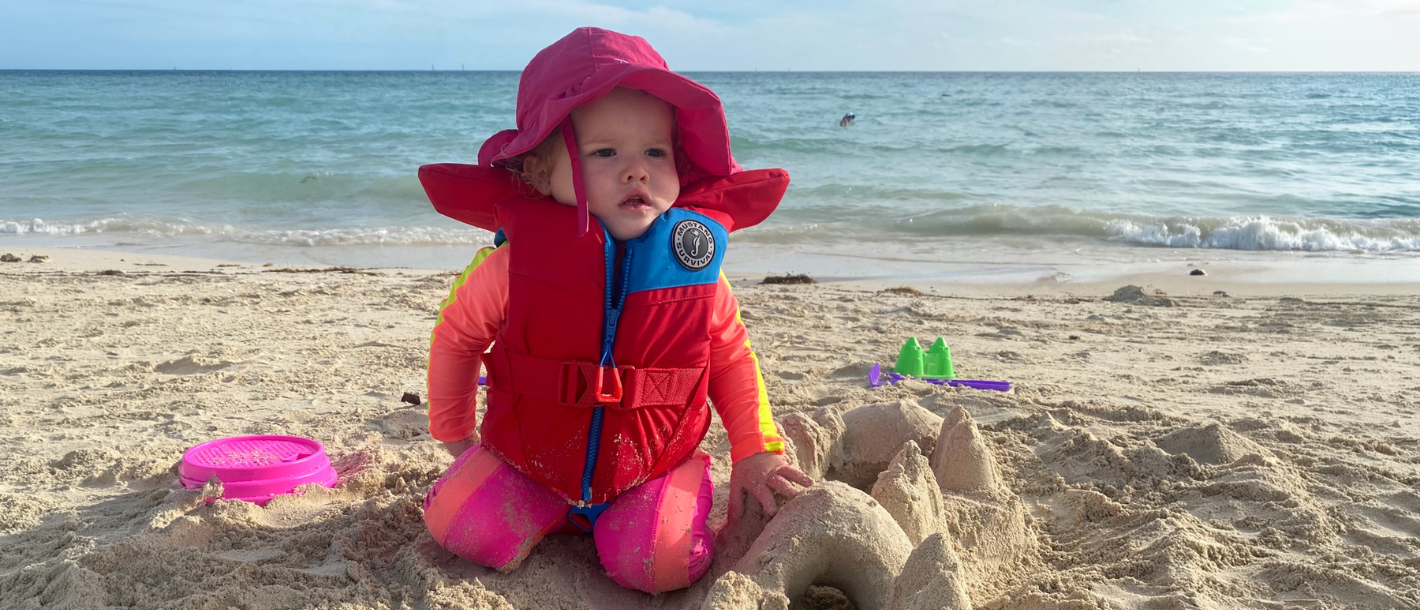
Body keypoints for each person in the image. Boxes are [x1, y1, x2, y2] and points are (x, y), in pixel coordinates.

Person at [415, 27, 812, 594]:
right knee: (461, 531)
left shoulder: (694, 273)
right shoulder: (510, 268)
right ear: (537, 172)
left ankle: (672, 491)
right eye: (605, 153)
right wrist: (455, 436)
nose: (637, 170)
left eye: (655, 151)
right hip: (529, 461)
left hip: (652, 464)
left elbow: (730, 360)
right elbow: (456, 339)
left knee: (658, 569)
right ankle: (555, 511)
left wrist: (754, 452)